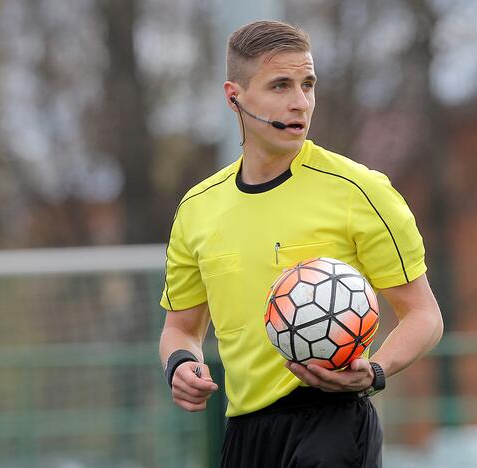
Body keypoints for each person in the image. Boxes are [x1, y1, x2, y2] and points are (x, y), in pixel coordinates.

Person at [159, 20, 443, 467]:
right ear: (234, 96)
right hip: (244, 433)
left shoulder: (360, 190)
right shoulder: (197, 208)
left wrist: (376, 371)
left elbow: (424, 315)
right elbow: (181, 328)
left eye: (307, 84)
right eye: (280, 85)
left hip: (332, 423)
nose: (299, 103)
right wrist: (180, 363)